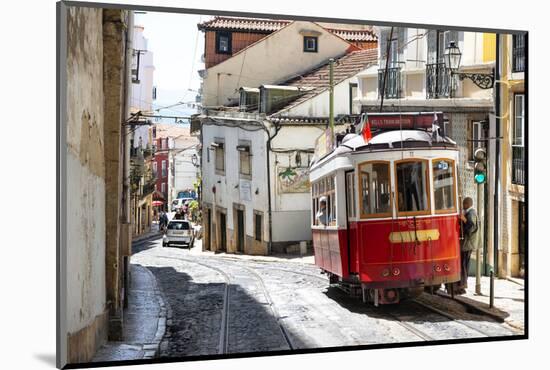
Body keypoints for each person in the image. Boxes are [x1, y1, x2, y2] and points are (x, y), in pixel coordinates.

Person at [457, 197, 481, 294]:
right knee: (464, 264)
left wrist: (464, 219)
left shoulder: (471, 213)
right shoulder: (470, 213)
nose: (463, 206)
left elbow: (471, 227)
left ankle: (462, 285)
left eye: (464, 204)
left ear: (468, 204)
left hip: (467, 244)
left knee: (464, 265)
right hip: (467, 243)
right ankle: (462, 284)